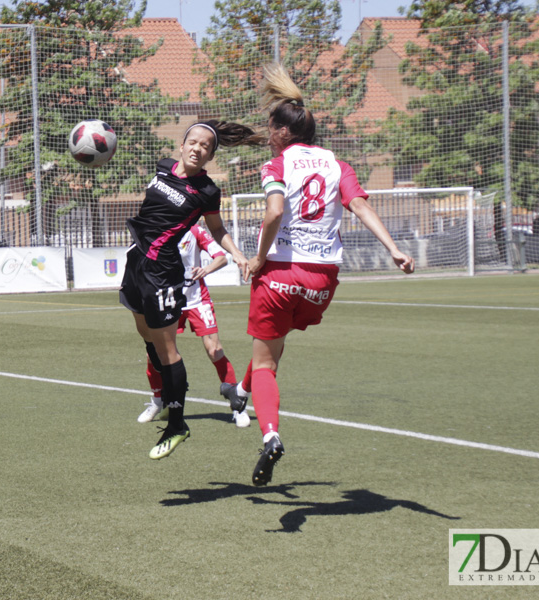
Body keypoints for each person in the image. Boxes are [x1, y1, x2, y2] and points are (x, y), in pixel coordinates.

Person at [231, 64, 414, 486]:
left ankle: (270, 434)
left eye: (269, 127)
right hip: (322, 280)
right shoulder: (337, 165)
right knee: (271, 351)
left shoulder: (275, 165)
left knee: (265, 363)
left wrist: (259, 258)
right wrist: (394, 249)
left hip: (280, 273)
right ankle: (240, 393)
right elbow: (362, 207)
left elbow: (275, 212)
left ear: (280, 132)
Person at [120, 119, 263, 461]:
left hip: (164, 271)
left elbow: (217, 229)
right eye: (193, 142)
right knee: (146, 334)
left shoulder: (207, 191)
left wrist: (238, 254)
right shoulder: (164, 167)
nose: (198, 149)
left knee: (167, 348)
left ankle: (177, 423)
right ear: (181, 145)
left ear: (211, 156)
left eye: (206, 147)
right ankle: (168, 390)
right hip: (136, 262)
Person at [137, 223, 250, 428]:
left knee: (214, 349)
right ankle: (157, 401)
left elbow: (222, 258)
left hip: (198, 300)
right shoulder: (156, 231)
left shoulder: (195, 231)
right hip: (169, 300)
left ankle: (237, 406)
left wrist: (206, 269)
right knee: (154, 352)